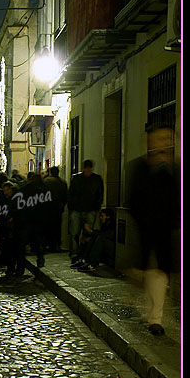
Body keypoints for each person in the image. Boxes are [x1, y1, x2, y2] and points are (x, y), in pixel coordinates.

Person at [126, 125, 180, 336]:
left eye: (167, 138)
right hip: (146, 230)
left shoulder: (175, 169)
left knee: (160, 274)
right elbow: (133, 201)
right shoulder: (140, 167)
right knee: (148, 273)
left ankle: (155, 318)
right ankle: (151, 313)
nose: (163, 143)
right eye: (159, 139)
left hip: (167, 231)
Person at [68, 160, 104, 264]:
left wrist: (96, 209)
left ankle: (84, 254)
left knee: (87, 234)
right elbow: (71, 193)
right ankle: (75, 254)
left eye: (89, 168)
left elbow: (100, 194)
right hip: (77, 209)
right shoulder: (77, 178)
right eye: (86, 168)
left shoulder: (96, 179)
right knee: (74, 233)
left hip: (90, 210)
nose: (88, 170)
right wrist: (71, 208)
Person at [73, 208, 116, 272]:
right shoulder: (105, 224)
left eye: (102, 216)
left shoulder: (112, 225)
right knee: (92, 238)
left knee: (100, 238)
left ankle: (92, 264)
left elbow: (106, 235)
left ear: (108, 217)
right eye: (100, 216)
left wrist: (91, 231)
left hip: (112, 249)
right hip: (106, 246)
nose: (100, 218)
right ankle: (83, 260)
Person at [0, 181, 26, 277]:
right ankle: (12, 268)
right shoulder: (9, 199)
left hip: (18, 227)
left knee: (18, 249)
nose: (6, 192)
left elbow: (21, 211)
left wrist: (13, 217)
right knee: (12, 249)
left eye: (7, 190)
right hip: (12, 228)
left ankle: (18, 269)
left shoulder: (17, 198)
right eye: (5, 190)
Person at [43, 166, 68, 252]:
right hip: (58, 208)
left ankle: (50, 245)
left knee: (48, 227)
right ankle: (56, 245)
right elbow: (66, 196)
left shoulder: (46, 181)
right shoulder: (63, 182)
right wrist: (62, 204)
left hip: (48, 208)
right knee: (57, 227)